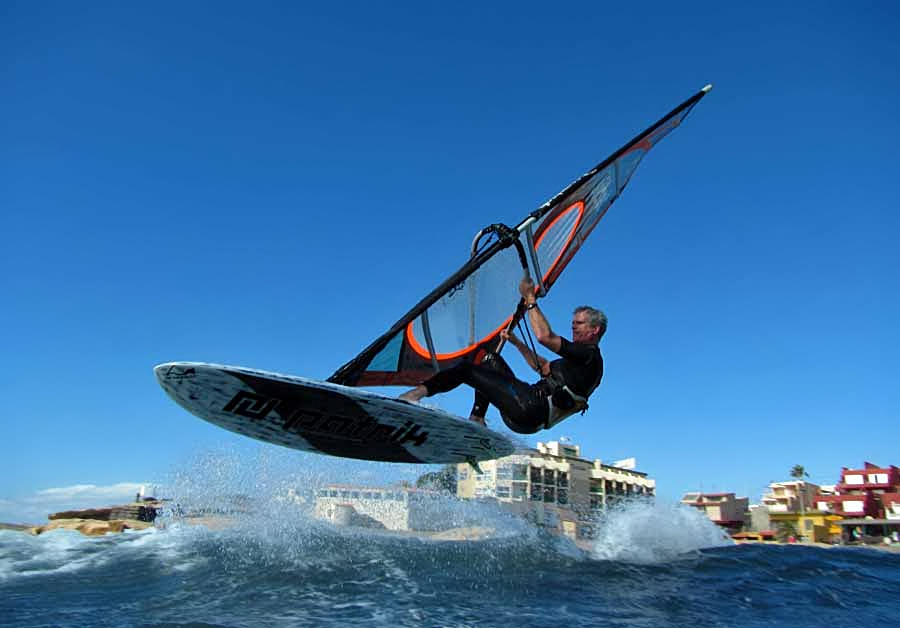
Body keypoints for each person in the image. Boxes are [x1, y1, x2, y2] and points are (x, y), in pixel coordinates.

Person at [399, 276, 605, 434]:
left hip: (531, 407)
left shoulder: (588, 355)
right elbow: (541, 366)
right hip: (525, 416)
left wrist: (530, 298)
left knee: (466, 370)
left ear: (595, 330)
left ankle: (414, 395)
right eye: (573, 323)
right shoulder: (580, 362)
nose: (573, 326)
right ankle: (477, 418)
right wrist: (516, 342)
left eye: (579, 323)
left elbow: (544, 336)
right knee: (488, 359)